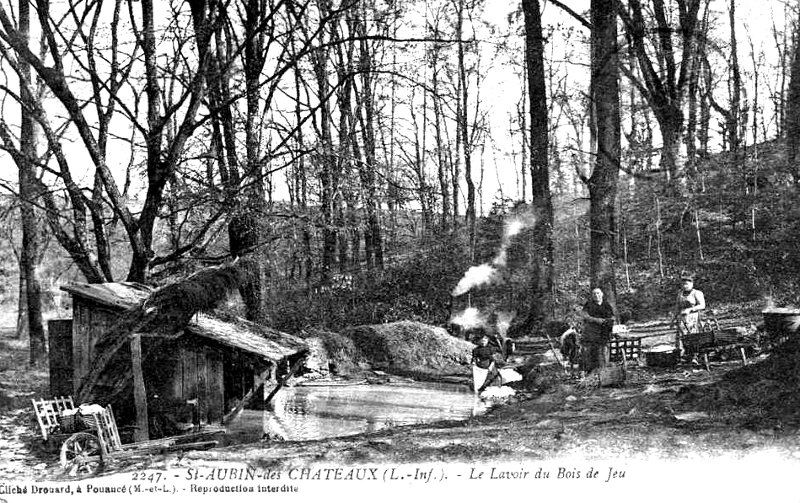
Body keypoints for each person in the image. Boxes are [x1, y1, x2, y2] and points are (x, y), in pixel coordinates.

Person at [580, 287, 616, 372]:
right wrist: (597, 320)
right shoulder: (588, 305)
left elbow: (612, 316)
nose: (596, 295)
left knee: (604, 350)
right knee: (592, 351)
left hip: (604, 332)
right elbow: (585, 316)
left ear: (602, 294)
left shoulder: (606, 305)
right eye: (594, 294)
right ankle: (591, 370)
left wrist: (609, 321)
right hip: (592, 332)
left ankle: (604, 369)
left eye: (598, 293)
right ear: (592, 296)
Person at [674, 274, 706, 354]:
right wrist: (674, 319)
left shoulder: (696, 293)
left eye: (687, 284)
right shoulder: (680, 294)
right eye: (683, 284)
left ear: (692, 284)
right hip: (682, 318)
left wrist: (690, 309)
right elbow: (677, 307)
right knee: (682, 337)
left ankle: (695, 355)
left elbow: (702, 305)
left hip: (694, 318)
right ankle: (683, 354)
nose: (685, 286)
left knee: (693, 336)